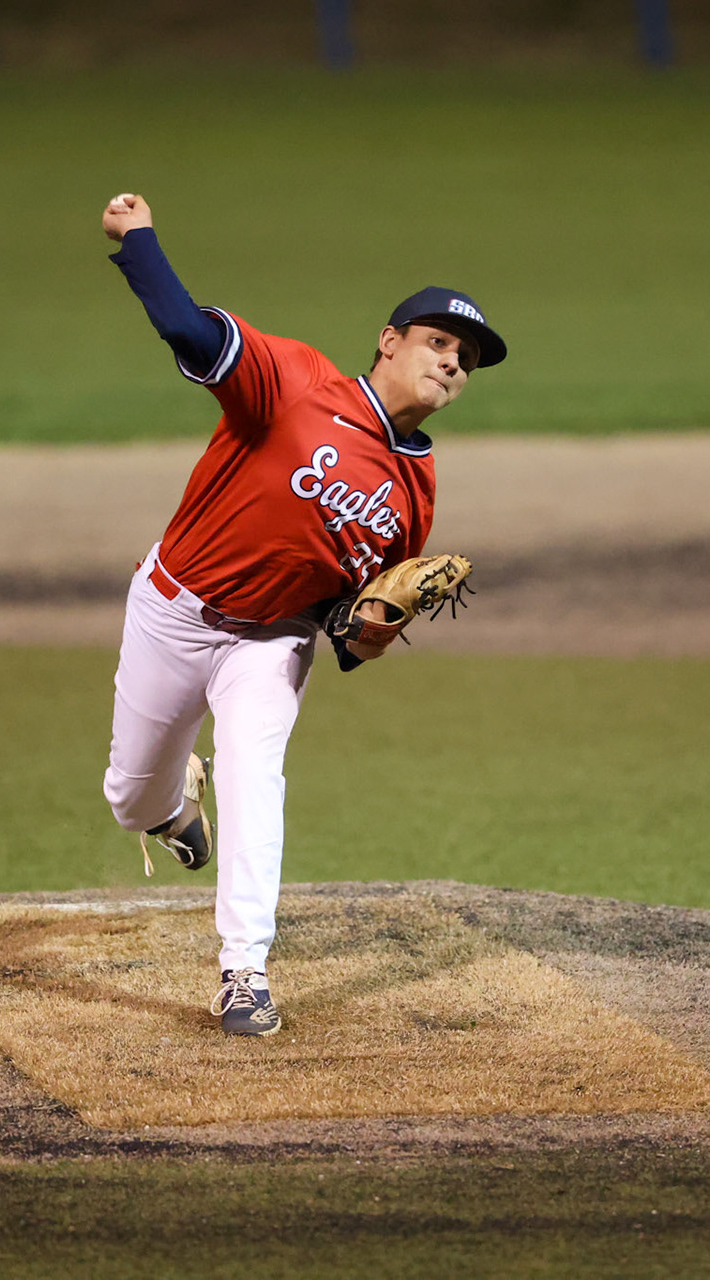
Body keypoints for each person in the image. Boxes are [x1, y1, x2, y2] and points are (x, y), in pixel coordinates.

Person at [98, 192, 506, 1036]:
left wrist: (371, 629)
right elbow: (191, 334)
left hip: (270, 645)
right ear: (389, 342)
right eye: (438, 341)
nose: (453, 362)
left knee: (259, 772)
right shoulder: (293, 381)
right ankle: (173, 807)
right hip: (172, 612)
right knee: (129, 797)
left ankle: (243, 971)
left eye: (465, 357)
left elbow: (348, 631)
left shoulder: (415, 492)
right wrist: (138, 242)